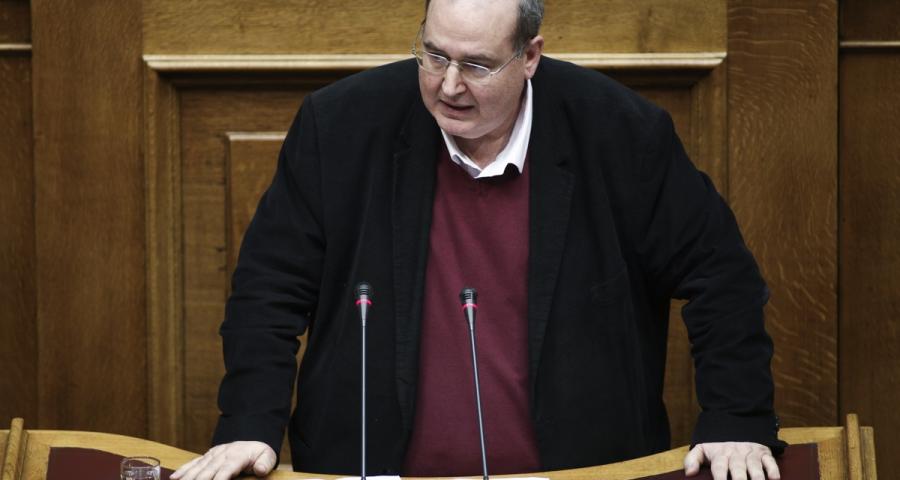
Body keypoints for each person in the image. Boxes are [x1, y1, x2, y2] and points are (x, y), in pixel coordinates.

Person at [172, 1, 786, 479]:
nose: (448, 85)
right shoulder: (340, 126)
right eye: (433, 55)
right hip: (371, 469)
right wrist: (249, 421)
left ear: (530, 56)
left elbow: (721, 277)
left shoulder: (620, 133)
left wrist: (736, 417)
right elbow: (269, 288)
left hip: (581, 470)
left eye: (477, 65)